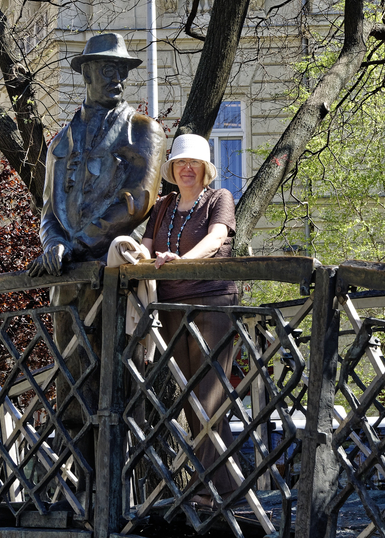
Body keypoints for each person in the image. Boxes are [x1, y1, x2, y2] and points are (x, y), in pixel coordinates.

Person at [27, 32, 166, 435]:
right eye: (107, 69)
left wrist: (76, 244)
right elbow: (48, 209)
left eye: (121, 70)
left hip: (114, 274)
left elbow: (137, 201)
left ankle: (123, 472)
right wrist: (53, 243)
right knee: (71, 388)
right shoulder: (60, 140)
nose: (116, 78)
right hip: (67, 280)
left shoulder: (142, 130)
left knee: (120, 389)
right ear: (86, 73)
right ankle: (77, 471)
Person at [142, 133, 240, 504]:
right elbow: (145, 248)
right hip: (171, 305)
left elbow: (216, 240)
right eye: (181, 162)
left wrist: (181, 261)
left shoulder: (219, 198)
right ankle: (223, 488)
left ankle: (214, 489)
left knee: (209, 396)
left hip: (212, 301)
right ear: (172, 168)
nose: (187, 168)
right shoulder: (162, 206)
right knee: (189, 398)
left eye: (194, 162)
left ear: (204, 169)